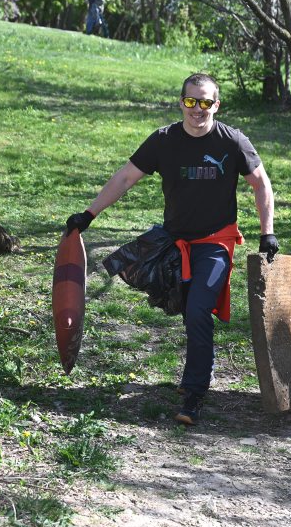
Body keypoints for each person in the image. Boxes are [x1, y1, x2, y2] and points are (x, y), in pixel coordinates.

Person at [66, 73, 278, 426]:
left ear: (216, 104)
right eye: (192, 101)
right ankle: (195, 373)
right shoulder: (164, 141)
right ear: (181, 102)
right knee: (181, 305)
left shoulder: (232, 141)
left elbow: (261, 184)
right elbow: (125, 178)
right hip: (174, 242)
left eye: (206, 102)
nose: (198, 109)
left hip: (216, 241)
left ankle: (195, 392)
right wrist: (89, 214)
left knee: (198, 309)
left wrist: (266, 232)